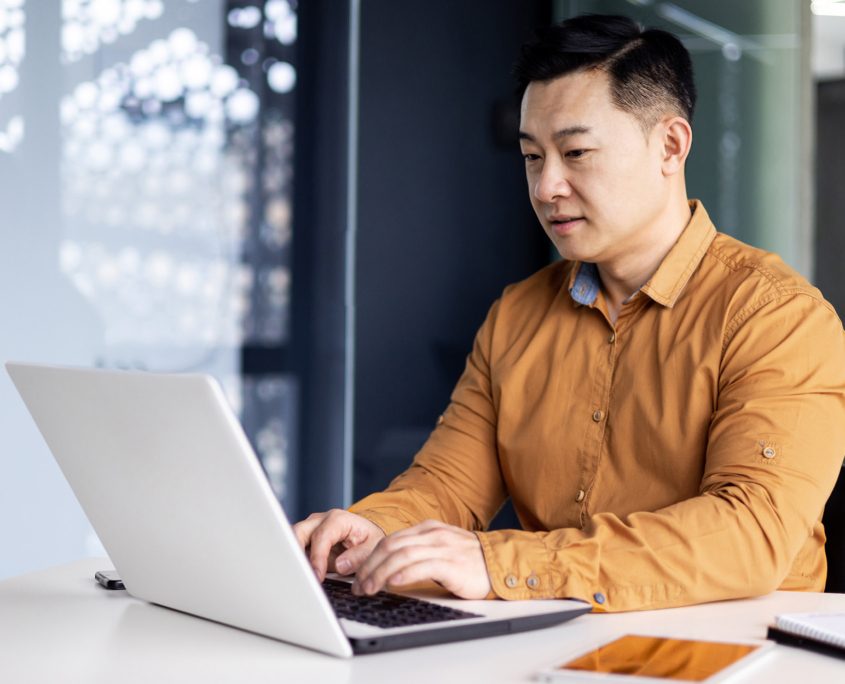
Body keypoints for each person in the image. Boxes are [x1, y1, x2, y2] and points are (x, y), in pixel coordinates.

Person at [294, 14, 845, 611]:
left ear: (670, 145)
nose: (546, 186)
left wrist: (503, 563)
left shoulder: (776, 317)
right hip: (561, 642)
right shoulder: (517, 316)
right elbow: (447, 484)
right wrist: (375, 528)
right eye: (533, 157)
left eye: (576, 152)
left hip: (738, 650)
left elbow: (749, 533)